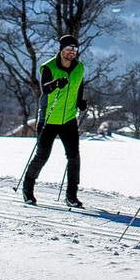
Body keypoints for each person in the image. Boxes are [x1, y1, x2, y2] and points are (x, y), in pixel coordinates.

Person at [23, 35, 88, 207]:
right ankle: (28, 189)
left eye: (74, 50)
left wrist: (80, 101)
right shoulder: (48, 67)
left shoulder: (80, 68)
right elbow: (44, 88)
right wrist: (55, 83)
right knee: (42, 156)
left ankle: (71, 196)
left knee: (74, 157)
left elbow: (79, 86)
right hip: (48, 119)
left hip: (68, 119)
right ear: (61, 50)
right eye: (68, 50)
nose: (71, 53)